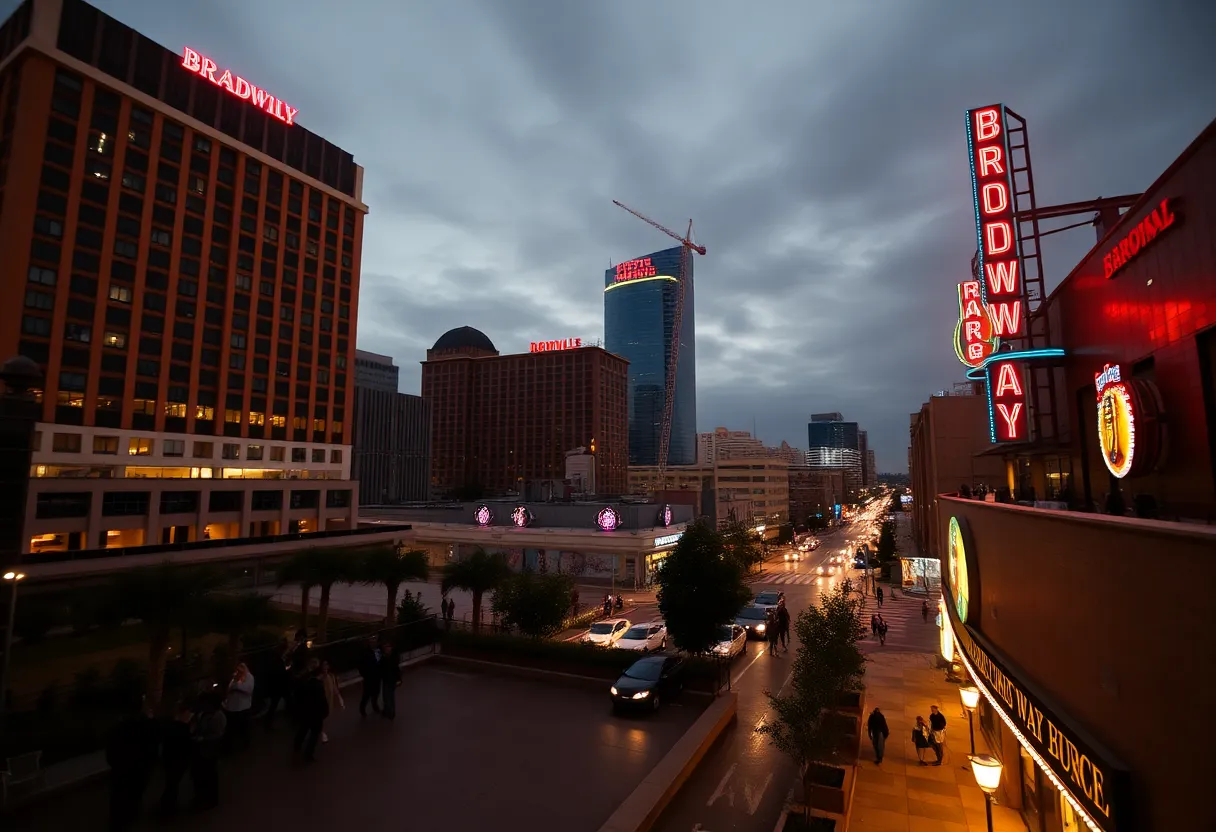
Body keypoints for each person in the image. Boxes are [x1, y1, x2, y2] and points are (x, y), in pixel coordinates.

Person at [106, 697, 159, 831]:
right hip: (139, 770)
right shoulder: (147, 724)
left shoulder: (119, 727)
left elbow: (111, 749)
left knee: (119, 799)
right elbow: (153, 746)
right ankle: (129, 819)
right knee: (134, 797)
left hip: (122, 770)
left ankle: (119, 822)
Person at [190, 691, 226, 810]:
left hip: (209, 750)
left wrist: (202, 738)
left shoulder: (218, 717)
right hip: (201, 750)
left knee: (209, 775)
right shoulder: (203, 714)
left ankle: (210, 799)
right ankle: (201, 797)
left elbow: (218, 734)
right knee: (199, 775)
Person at [158, 702, 194, 816]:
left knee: (171, 783)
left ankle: (167, 805)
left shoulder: (169, 726)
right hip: (178, 760)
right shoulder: (183, 728)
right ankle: (168, 807)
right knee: (173, 784)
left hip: (169, 759)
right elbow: (187, 746)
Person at [292, 659, 329, 762]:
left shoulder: (305, 681)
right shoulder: (318, 685)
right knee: (314, 734)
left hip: (306, 712)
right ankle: (308, 754)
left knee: (303, 730)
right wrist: (324, 712)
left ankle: (297, 747)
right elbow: (322, 701)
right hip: (315, 713)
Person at [223, 662, 255, 750]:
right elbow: (229, 689)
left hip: (243, 708)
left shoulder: (249, 677)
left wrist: (236, 686)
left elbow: (248, 689)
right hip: (232, 708)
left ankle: (245, 745)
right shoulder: (234, 677)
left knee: (244, 729)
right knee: (231, 730)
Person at [263, 641, 293, 728]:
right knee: (276, 704)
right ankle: (268, 723)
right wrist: (287, 668)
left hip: (281, 686)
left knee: (285, 702)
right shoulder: (277, 660)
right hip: (279, 686)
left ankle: (269, 722)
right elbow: (279, 672)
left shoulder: (279, 659)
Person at [319, 659, 344, 742]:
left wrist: (340, 698)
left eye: (326, 665)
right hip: (321, 701)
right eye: (324, 665)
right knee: (322, 717)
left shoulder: (331, 676)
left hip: (329, 700)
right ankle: (322, 733)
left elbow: (334, 688)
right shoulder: (320, 678)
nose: (325, 667)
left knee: (327, 716)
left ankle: (322, 731)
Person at [358, 637, 382, 716]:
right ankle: (362, 708)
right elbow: (360, 664)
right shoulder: (365, 652)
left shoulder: (379, 650)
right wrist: (365, 674)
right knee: (367, 694)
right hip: (369, 677)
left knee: (376, 691)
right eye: (371, 641)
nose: (373, 643)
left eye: (375, 641)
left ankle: (375, 705)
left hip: (377, 676)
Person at [381, 640, 401, 719]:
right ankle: (388, 711)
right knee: (388, 696)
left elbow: (395, 669)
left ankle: (390, 712)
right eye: (386, 647)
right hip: (388, 679)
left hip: (390, 680)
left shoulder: (390, 658)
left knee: (389, 696)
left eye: (388, 647)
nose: (387, 649)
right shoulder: (387, 657)